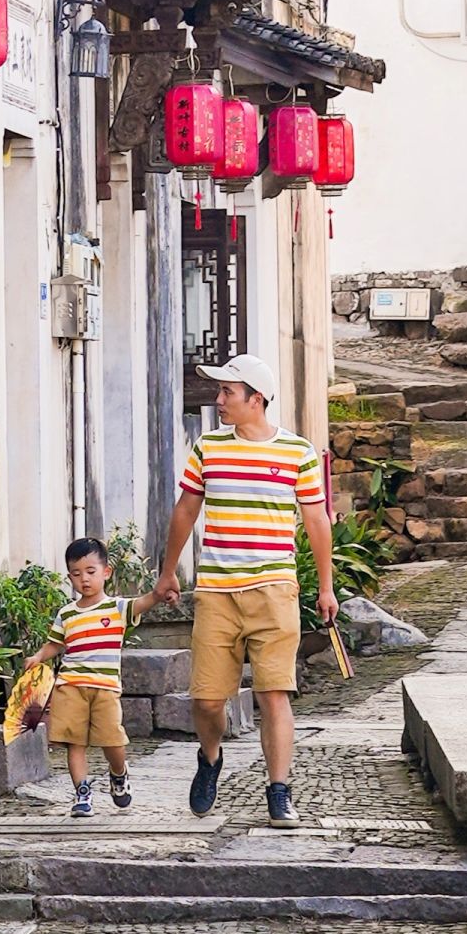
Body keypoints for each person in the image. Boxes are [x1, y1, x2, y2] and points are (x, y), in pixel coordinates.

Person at [154, 354, 336, 829]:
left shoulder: (296, 452)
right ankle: (210, 757)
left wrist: (326, 585)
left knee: (274, 693)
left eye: (227, 394)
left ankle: (279, 790)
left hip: (275, 589)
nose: (218, 402)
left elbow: (316, 520)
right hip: (216, 591)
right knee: (208, 701)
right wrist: (167, 572)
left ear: (256, 399)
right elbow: (185, 510)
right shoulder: (209, 447)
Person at [25, 537, 162, 818]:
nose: (84, 579)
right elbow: (56, 643)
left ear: (106, 572)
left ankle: (118, 773)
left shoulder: (117, 608)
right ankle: (82, 794)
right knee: (75, 743)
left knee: (113, 741)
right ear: (69, 577)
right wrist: (39, 656)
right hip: (70, 686)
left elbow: (144, 602)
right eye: (76, 574)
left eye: (90, 572)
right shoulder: (66, 614)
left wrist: (161, 592)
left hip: (106, 688)